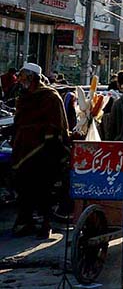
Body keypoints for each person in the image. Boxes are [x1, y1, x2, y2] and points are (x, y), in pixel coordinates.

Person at [11, 63, 69, 238]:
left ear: (32, 77)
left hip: (44, 151)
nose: (20, 81)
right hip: (23, 148)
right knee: (23, 187)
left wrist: (49, 141)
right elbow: (19, 120)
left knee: (44, 189)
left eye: (23, 77)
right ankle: (25, 222)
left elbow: (57, 123)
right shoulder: (23, 96)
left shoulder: (50, 96)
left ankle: (46, 224)